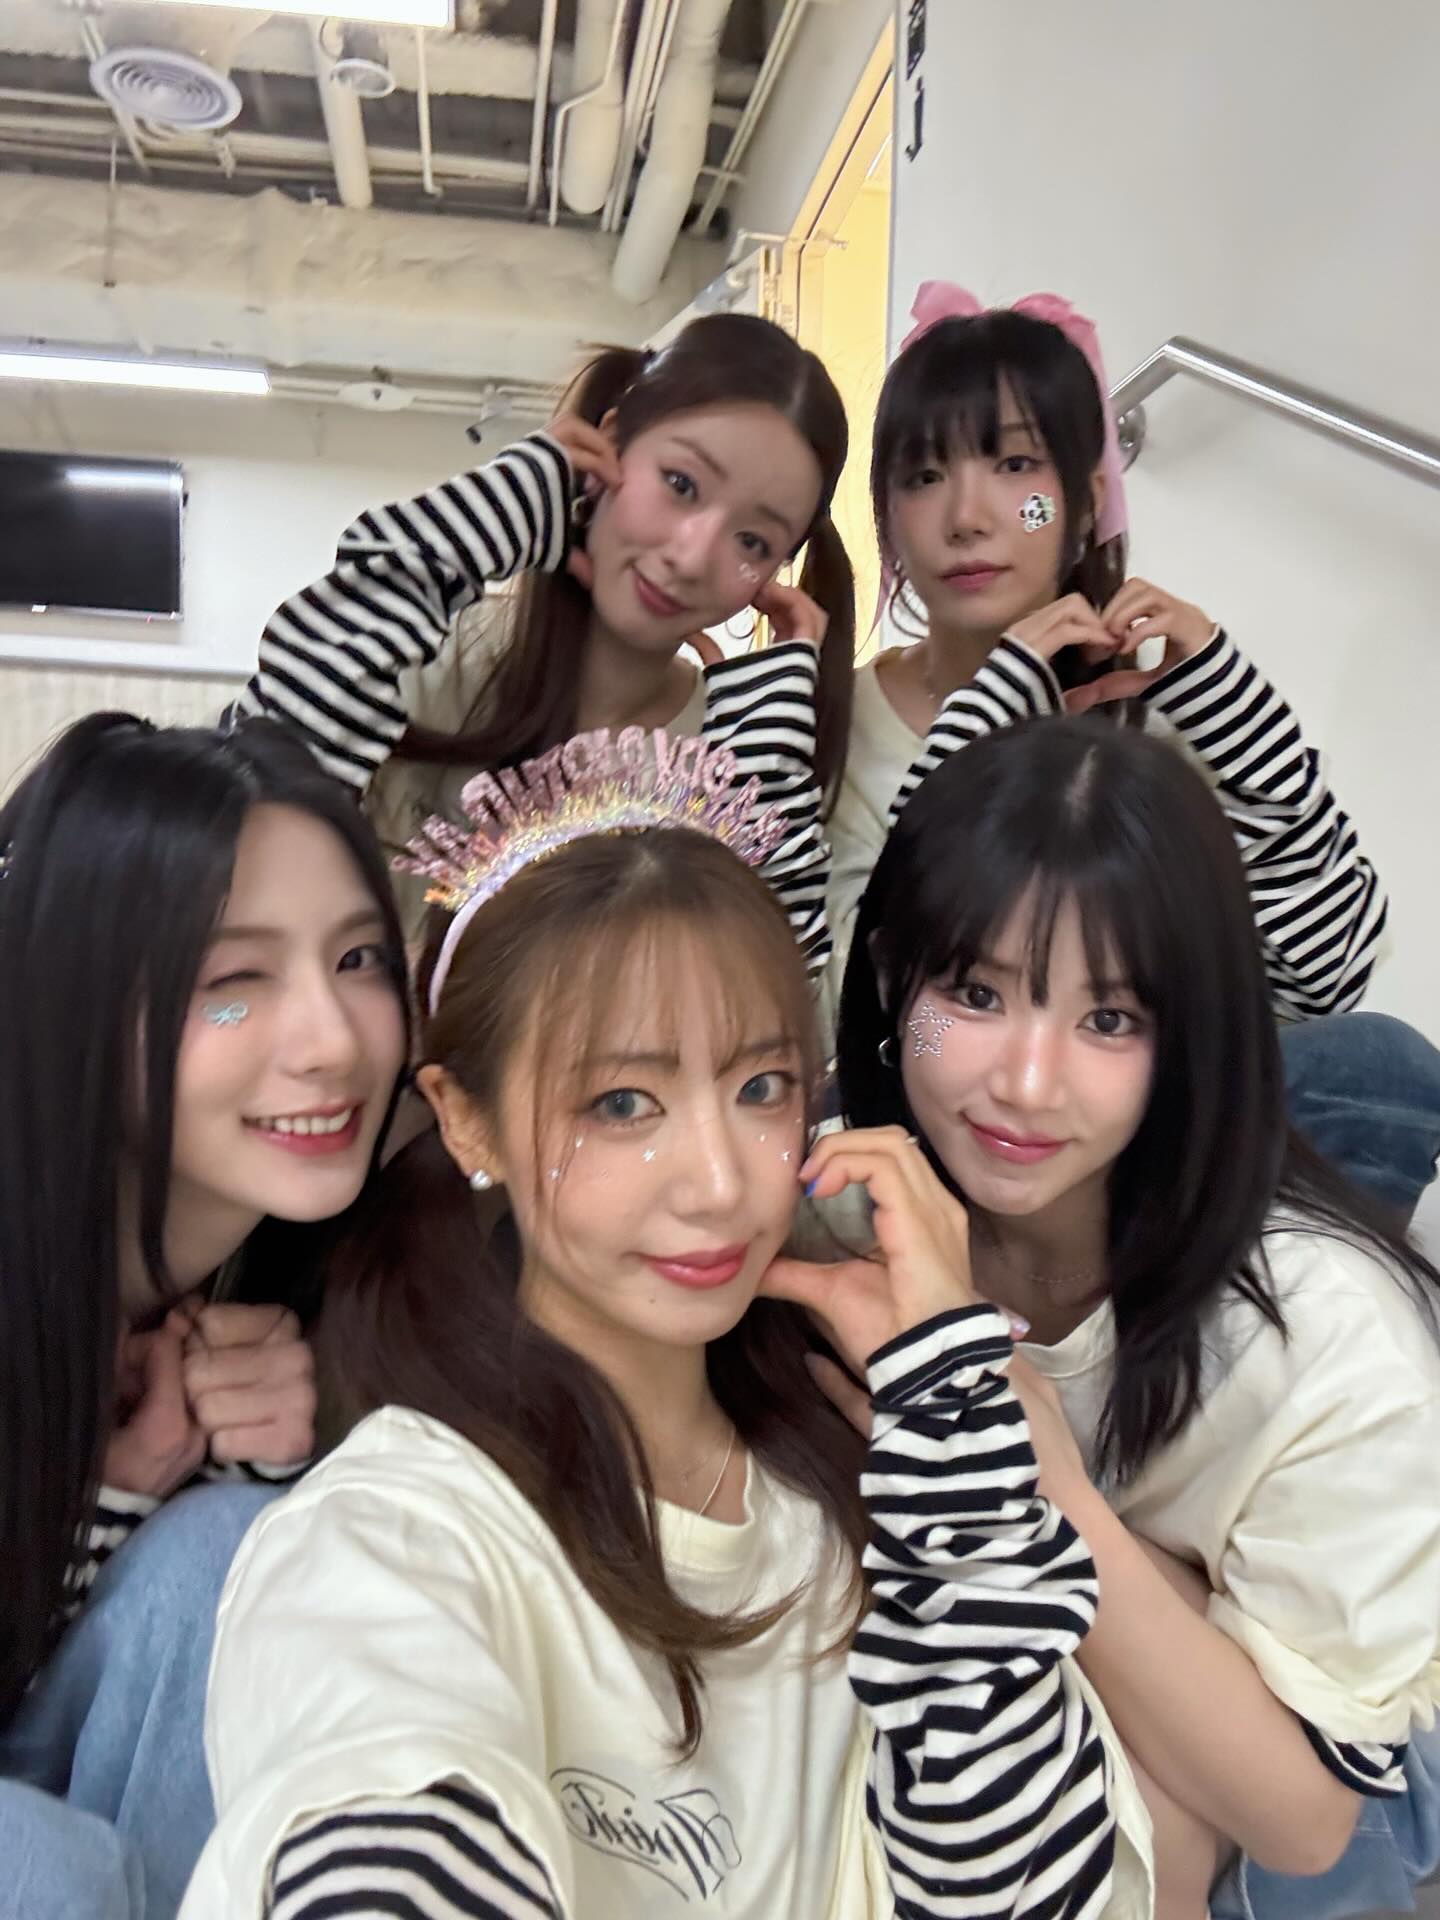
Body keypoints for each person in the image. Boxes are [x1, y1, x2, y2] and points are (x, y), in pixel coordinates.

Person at [181, 728, 1144, 1919]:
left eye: (760, 1089)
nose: (721, 1183)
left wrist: (951, 1405)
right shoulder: (396, 1535)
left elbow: (1026, 1893)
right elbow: (381, 1808)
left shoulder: (864, 1481)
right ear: (465, 1120)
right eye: (624, 1103)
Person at [834, 713, 1440, 1919]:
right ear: (896, 982)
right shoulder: (855, 1217)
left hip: (1338, 1748)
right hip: (1078, 1665)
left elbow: (1305, 1821)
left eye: (1109, 1019)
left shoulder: (1327, 1337)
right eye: (974, 991)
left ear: (1192, 1034)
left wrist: (1037, 1477)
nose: (1025, 1083)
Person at [828, 281, 1440, 1215]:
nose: (968, 515)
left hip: (1134, 1139)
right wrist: (985, 722)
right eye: (922, 477)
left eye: (1016, 467)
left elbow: (1324, 980)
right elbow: (858, 1019)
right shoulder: (844, 721)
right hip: (945, 1126)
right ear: (888, 514)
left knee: (1378, 1067)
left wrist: (1237, 720)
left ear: (1082, 504)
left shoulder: (1160, 715)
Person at [0, 713, 410, 1919]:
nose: (331, 1041)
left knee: (231, 1555)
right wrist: (114, 1491)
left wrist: (220, 1480)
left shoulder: (330, 1274)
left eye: (358, 959)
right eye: (232, 983)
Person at [229, 311, 856, 973]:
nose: (692, 555)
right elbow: (244, 806)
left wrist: (763, 770)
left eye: (753, 542)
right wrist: (469, 530)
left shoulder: (728, 751)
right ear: (608, 443)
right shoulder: (430, 655)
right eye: (680, 484)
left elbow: (775, 1002)